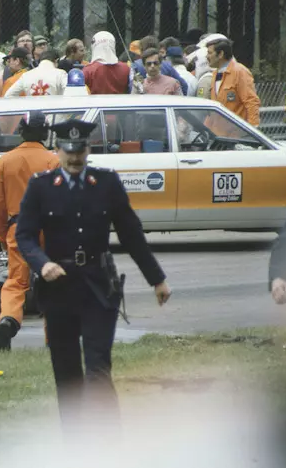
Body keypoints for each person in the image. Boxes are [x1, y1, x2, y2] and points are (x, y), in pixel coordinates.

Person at [14, 119, 171, 431]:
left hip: (98, 287)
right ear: (57, 150)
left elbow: (131, 233)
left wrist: (157, 279)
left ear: (89, 149)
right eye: (69, 152)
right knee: (67, 373)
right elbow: (25, 236)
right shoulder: (41, 187)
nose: (75, 158)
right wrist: (42, 263)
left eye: (81, 151)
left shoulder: (107, 183)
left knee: (98, 368)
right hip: (58, 290)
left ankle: (108, 445)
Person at [0, 112, 60, 351]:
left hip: (18, 228)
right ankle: (53, 338)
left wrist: (2, 234)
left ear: (20, 131)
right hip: (48, 228)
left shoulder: (6, 161)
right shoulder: (53, 161)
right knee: (53, 281)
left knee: (15, 281)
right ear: (45, 133)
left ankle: (8, 319)